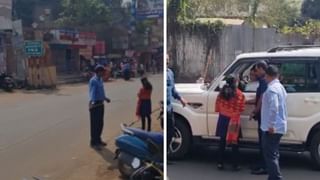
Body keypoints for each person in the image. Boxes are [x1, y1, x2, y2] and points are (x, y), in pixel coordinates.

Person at [261, 65, 287, 180]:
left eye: (265, 75)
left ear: (268, 75)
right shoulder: (280, 87)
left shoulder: (271, 89)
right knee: (274, 153)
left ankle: (276, 178)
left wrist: (271, 125)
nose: (264, 78)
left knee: (270, 155)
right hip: (280, 126)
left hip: (272, 128)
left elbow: (274, 107)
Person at [215, 74, 245, 171]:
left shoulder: (221, 93)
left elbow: (217, 106)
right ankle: (235, 164)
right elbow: (241, 108)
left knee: (222, 141)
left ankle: (220, 163)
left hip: (223, 118)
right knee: (234, 142)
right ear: (236, 82)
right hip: (233, 120)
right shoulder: (239, 94)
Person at [250, 61, 269, 175]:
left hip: (263, 115)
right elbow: (259, 98)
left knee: (264, 142)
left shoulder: (264, 81)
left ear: (262, 69)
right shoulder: (265, 81)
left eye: (256, 70)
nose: (256, 73)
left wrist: (255, 111)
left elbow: (262, 98)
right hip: (263, 115)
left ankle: (264, 166)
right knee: (262, 141)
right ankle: (262, 164)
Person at [167, 53, 187, 154]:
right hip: (164, 108)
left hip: (169, 108)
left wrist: (181, 99)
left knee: (170, 131)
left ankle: (167, 152)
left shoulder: (170, 73)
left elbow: (173, 89)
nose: (167, 60)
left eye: (167, 58)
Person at [89, 65, 111, 149]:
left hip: (101, 104)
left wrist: (105, 98)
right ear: (98, 72)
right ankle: (93, 142)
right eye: (103, 71)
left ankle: (98, 139)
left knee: (100, 123)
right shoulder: (93, 81)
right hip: (95, 104)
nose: (104, 73)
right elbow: (93, 93)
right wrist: (93, 103)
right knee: (94, 124)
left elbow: (101, 91)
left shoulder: (100, 80)